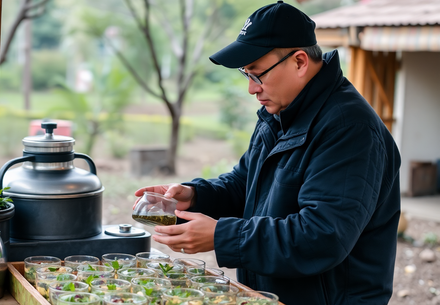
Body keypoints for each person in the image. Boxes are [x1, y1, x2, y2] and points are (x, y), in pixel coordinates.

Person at [134, 1, 401, 304]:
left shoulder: (349, 128)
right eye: (246, 74)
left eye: (257, 74)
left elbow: (323, 236)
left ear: (300, 61)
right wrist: (195, 195)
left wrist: (222, 236)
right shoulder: (280, 114)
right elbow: (244, 184)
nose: (251, 88)